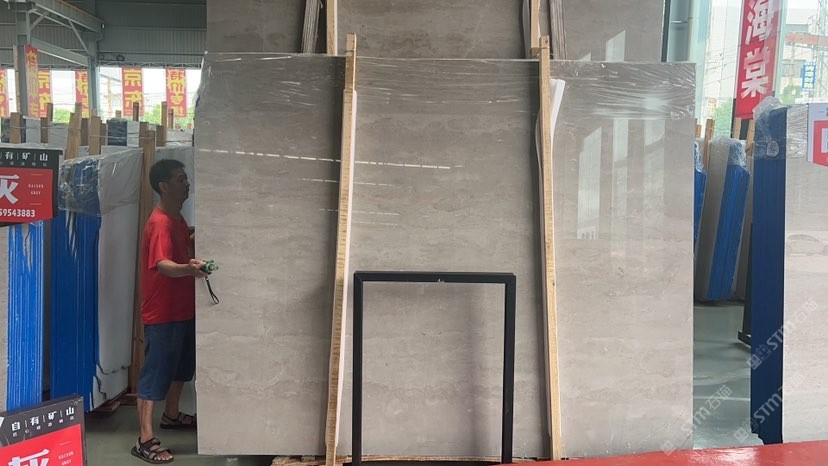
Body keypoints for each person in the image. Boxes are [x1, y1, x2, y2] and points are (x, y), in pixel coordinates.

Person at [131, 159, 207, 464]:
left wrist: (194, 239)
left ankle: (172, 415)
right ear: (163, 186)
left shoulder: (176, 219)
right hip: (163, 312)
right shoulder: (161, 222)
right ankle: (144, 439)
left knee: (181, 367)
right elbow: (162, 265)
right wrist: (190, 269)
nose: (186, 183)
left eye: (186, 178)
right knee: (156, 373)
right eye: (179, 179)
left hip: (183, 308)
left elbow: (179, 248)